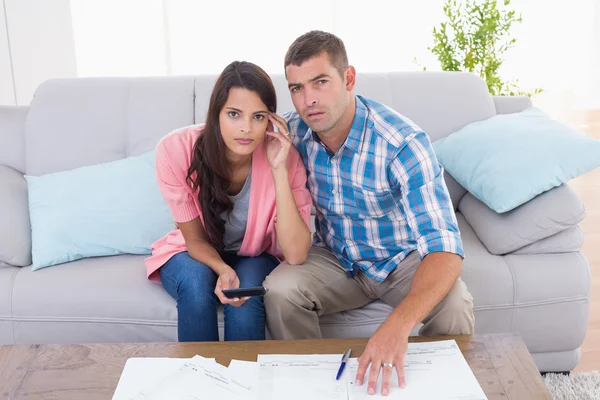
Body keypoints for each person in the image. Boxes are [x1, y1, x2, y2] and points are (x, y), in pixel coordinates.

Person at [263, 31, 475, 396]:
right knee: (280, 289)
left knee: (454, 304)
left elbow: (445, 249)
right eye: (296, 88)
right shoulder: (292, 132)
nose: (308, 99)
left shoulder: (402, 143)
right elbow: (231, 136)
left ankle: (437, 390)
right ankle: (309, 388)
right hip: (336, 259)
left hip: (400, 260)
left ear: (348, 79)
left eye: (320, 82)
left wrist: (398, 324)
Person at [144, 60, 312, 343]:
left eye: (258, 116)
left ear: (270, 119)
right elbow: (194, 240)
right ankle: (197, 383)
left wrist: (279, 169)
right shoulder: (175, 150)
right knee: (197, 286)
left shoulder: (285, 157)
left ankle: (245, 385)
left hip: (254, 256)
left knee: (244, 302)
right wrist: (222, 269)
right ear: (216, 113)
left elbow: (295, 254)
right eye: (234, 114)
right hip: (193, 250)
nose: (246, 128)